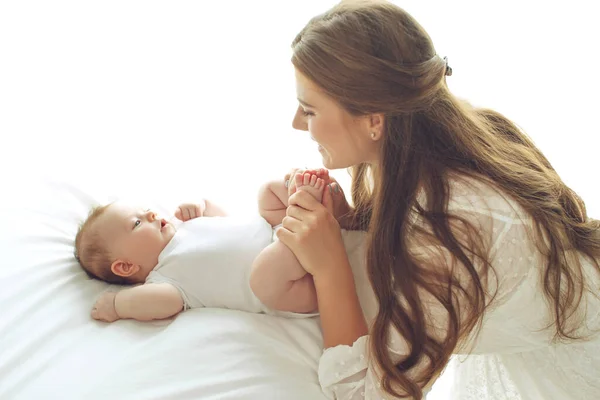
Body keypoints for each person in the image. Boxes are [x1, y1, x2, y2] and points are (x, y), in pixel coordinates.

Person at [275, 1, 600, 399]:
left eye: (308, 109)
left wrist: (330, 268)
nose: (296, 123)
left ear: (374, 120)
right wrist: (352, 220)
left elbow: (371, 395)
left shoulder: (449, 224)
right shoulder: (443, 145)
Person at [74, 170, 364, 322]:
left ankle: (316, 207)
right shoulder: (165, 280)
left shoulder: (186, 228)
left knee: (267, 193)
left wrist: (202, 205)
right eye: (137, 223)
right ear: (126, 266)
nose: (152, 215)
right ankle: (309, 211)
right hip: (290, 287)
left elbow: (226, 220)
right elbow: (161, 305)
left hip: (275, 232)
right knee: (262, 274)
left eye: (146, 211)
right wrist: (117, 305)